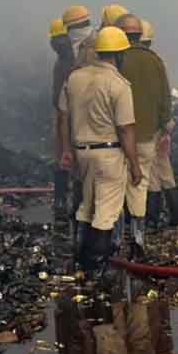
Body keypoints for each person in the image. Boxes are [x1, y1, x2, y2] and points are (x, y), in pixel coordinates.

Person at [57, 26, 142, 278]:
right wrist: (134, 164)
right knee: (105, 212)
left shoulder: (74, 78)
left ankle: (81, 259)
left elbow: (62, 116)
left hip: (82, 152)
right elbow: (126, 129)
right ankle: (95, 266)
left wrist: (66, 149)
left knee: (87, 206)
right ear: (119, 54)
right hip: (109, 154)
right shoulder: (119, 85)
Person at [115, 14, 172, 259]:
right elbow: (165, 99)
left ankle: (117, 238)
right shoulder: (155, 60)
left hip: (119, 136)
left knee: (116, 186)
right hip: (147, 135)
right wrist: (162, 126)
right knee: (140, 185)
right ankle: (138, 237)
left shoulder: (117, 59)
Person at [139, 20, 178, 228]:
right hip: (161, 122)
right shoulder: (157, 61)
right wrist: (167, 125)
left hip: (147, 124)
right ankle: (177, 215)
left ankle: (152, 218)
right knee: (164, 168)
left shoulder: (137, 63)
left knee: (151, 173)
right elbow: (164, 95)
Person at [49, 18, 74, 220]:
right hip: (69, 112)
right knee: (66, 157)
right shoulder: (69, 58)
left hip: (64, 112)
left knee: (63, 158)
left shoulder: (64, 61)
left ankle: (61, 201)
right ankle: (64, 201)